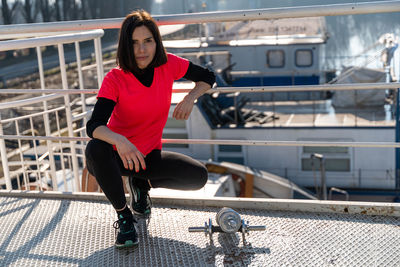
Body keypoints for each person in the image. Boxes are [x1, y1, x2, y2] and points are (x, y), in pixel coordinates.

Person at [85, 10, 215, 249]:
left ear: (157, 42)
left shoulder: (169, 65)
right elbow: (94, 125)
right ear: (125, 46)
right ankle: (124, 217)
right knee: (95, 149)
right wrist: (121, 141)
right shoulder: (115, 78)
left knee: (198, 177)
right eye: (134, 43)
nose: (141, 50)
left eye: (148, 41)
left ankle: (140, 184)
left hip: (148, 156)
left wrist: (190, 97)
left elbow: (208, 76)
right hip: (117, 158)